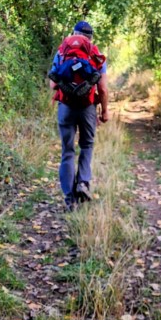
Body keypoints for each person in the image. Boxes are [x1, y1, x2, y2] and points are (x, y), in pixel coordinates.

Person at [48, 21, 110, 208]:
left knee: (67, 152)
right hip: (87, 107)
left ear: (73, 33)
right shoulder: (95, 54)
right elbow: (103, 89)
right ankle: (83, 182)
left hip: (66, 106)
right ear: (91, 37)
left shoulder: (62, 51)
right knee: (87, 145)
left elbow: (53, 84)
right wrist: (105, 111)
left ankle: (69, 200)